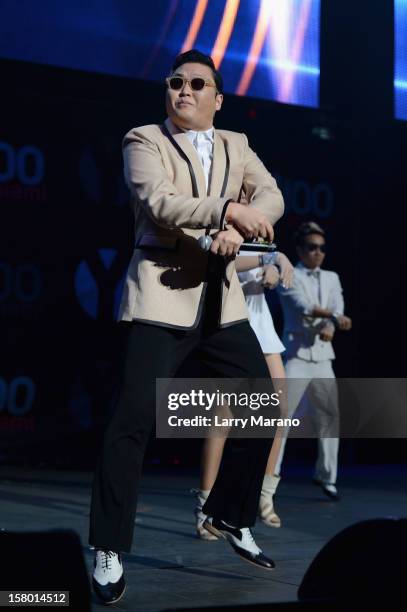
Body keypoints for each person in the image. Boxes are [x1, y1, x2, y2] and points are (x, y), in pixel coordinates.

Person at [89, 49, 284, 604]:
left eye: (198, 84)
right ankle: (108, 547)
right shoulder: (143, 139)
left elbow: (271, 196)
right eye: (176, 82)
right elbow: (161, 203)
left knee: (263, 406)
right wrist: (227, 211)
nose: (184, 90)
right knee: (131, 422)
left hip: (220, 302)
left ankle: (229, 514)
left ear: (217, 99)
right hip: (160, 299)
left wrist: (246, 221)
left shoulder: (237, 145)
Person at [194, 250, 294, 539]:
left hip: (260, 322)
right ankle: (205, 505)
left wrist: (278, 264)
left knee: (279, 410)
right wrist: (269, 261)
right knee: (223, 414)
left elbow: (277, 265)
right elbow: (221, 264)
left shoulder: (263, 233)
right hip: (232, 321)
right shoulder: (225, 224)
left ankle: (265, 494)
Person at [275, 221, 352, 501]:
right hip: (296, 355)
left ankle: (327, 477)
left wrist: (332, 326)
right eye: (311, 247)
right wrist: (332, 318)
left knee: (330, 418)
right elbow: (302, 306)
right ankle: (270, 475)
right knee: (281, 418)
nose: (318, 252)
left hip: (322, 357)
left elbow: (338, 306)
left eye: (321, 248)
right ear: (300, 249)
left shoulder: (332, 277)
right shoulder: (289, 273)